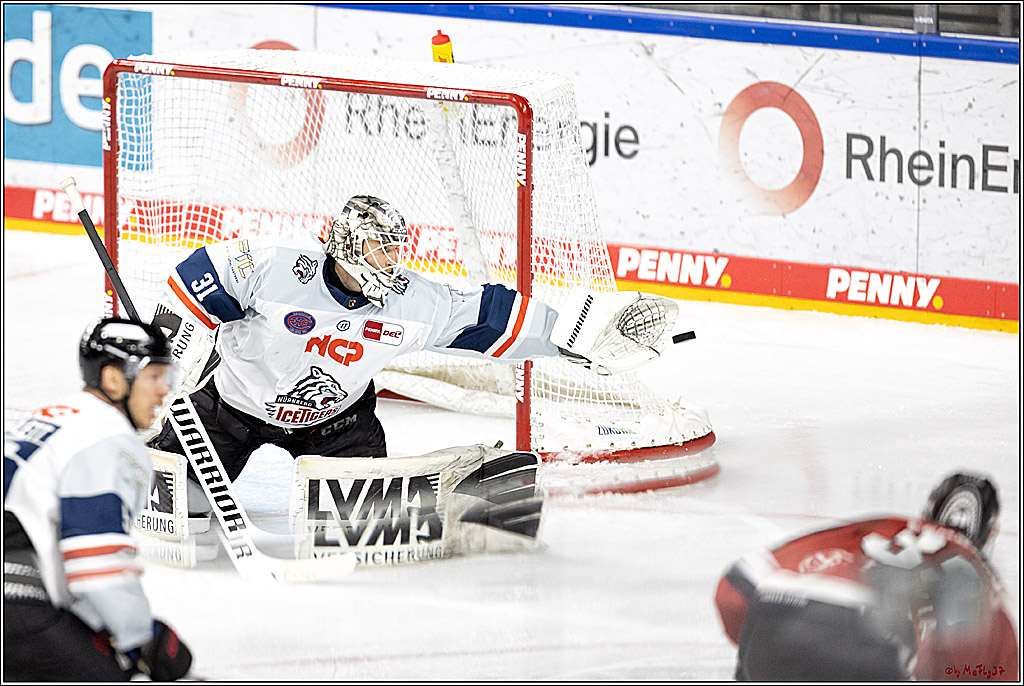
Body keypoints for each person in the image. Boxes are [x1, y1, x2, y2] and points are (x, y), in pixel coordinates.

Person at [148, 194, 606, 514]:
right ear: (348, 244)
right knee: (174, 504)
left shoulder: (408, 300)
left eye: (394, 249)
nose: (390, 260)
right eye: (379, 248)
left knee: (365, 519)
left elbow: (485, 316)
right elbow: (193, 278)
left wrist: (566, 337)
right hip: (231, 409)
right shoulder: (277, 264)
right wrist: (164, 359)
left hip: (336, 424)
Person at [3, 318, 193, 682]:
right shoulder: (107, 438)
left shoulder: (53, 419)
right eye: (154, 376)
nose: (164, 390)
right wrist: (144, 638)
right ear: (113, 379)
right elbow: (97, 566)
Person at [714, 472, 1018, 681]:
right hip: (867, 649)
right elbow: (983, 667)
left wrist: (770, 643)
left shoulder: (882, 525)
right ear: (987, 534)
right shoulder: (973, 573)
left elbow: (732, 590)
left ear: (928, 510)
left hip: (776, 616)